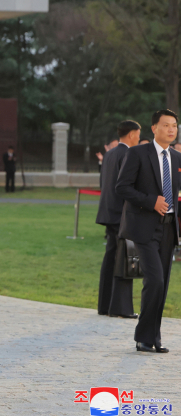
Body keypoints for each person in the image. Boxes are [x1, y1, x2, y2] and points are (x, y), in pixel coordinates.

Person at [116, 109, 180, 354]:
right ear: (154, 128)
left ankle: (154, 337)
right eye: (166, 125)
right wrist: (151, 201)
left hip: (168, 230)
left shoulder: (177, 158)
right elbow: (122, 187)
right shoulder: (137, 154)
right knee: (155, 280)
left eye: (174, 125)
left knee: (161, 286)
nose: (171, 129)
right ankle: (143, 336)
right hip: (144, 228)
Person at [96, 120, 141, 319]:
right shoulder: (129, 154)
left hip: (107, 211)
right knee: (125, 260)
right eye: (138, 134)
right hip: (122, 214)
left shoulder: (110, 154)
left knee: (110, 257)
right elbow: (130, 187)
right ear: (131, 134)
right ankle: (121, 308)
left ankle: (105, 305)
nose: (139, 138)